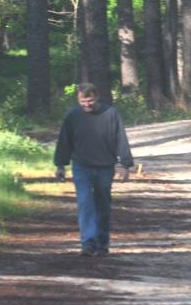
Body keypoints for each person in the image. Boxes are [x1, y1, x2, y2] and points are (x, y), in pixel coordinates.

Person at [53, 83, 136, 256]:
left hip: (105, 167)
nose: (86, 104)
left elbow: (121, 139)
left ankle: (102, 243)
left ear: (97, 97)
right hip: (81, 166)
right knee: (85, 204)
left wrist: (125, 164)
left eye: (89, 100)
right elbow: (64, 142)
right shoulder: (72, 115)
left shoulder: (110, 114)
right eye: (82, 101)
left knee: (102, 205)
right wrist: (60, 165)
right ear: (78, 99)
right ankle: (88, 243)